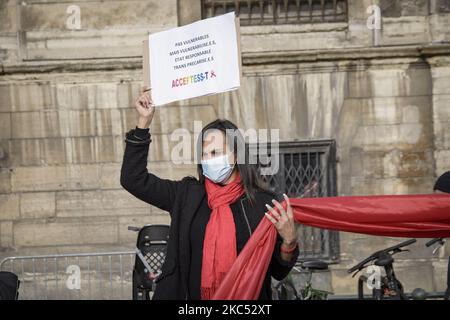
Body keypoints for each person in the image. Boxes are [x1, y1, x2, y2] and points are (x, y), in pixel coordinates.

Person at [120, 87, 300, 300]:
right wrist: (143, 123)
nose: (208, 159)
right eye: (204, 154)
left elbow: (277, 272)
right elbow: (133, 179)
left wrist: (289, 242)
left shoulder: (264, 204)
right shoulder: (186, 195)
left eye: (215, 152)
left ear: (235, 156)